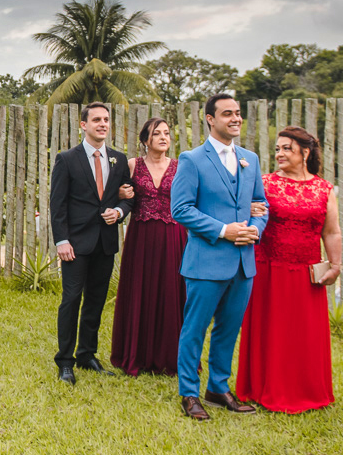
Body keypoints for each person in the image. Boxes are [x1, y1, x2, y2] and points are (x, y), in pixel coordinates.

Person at [170, 93, 269, 421]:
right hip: (206, 260)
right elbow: (181, 209)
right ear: (210, 119)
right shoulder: (192, 159)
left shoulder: (250, 159)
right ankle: (188, 393)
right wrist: (223, 230)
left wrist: (256, 228)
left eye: (238, 113)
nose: (236, 119)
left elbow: (260, 204)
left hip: (243, 261)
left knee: (229, 328)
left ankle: (217, 388)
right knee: (194, 328)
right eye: (228, 114)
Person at [236, 127, 342, 413]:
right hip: (268, 269)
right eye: (278, 149)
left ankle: (306, 389)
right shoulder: (265, 183)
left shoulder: (324, 189)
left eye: (286, 148)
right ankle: (262, 387)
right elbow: (247, 217)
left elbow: (331, 232)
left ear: (305, 153)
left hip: (307, 273)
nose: (279, 154)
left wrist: (336, 265)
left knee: (304, 334)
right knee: (271, 332)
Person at [50, 102, 133, 385]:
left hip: (105, 242)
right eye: (96, 119)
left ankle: (87, 354)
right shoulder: (67, 158)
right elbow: (57, 204)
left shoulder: (119, 160)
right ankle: (65, 360)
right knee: (71, 300)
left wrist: (119, 211)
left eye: (106, 119)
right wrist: (61, 240)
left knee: (95, 301)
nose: (102, 124)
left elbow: (128, 196)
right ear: (83, 125)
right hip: (74, 244)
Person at [110, 117, 188, 376]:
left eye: (167, 133)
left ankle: (168, 356)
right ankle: (136, 355)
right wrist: (121, 195)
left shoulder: (180, 167)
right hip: (141, 236)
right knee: (139, 291)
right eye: (157, 134)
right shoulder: (132, 165)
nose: (164, 137)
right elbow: (115, 194)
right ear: (146, 140)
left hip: (173, 236)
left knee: (170, 291)